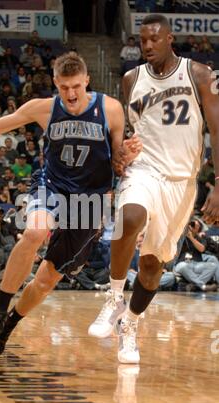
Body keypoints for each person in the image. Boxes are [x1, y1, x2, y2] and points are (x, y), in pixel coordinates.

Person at [0, 52, 142, 360]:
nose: (70, 94)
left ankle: (7, 326)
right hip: (52, 186)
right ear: (55, 83)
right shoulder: (43, 109)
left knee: (46, 280)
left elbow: (117, 163)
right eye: (63, 87)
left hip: (90, 201)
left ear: (87, 81)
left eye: (76, 86)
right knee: (34, 232)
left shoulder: (110, 109)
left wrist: (126, 154)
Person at [88, 14, 219, 364]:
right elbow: (127, 136)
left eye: (154, 39)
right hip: (145, 170)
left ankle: (129, 324)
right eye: (142, 40)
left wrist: (218, 185)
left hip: (182, 181)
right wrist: (120, 156)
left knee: (151, 266)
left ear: (170, 38)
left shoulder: (201, 74)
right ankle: (114, 297)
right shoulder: (131, 79)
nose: (147, 45)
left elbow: (217, 131)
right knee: (130, 218)